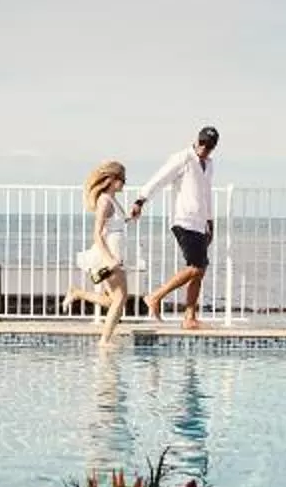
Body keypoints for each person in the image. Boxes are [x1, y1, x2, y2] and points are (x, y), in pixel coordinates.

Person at [131, 125, 220, 328]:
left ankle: (189, 318)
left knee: (200, 269)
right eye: (203, 144)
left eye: (210, 146)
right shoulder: (182, 158)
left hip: (200, 223)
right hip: (183, 220)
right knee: (196, 267)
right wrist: (140, 200)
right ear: (197, 141)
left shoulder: (209, 164)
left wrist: (210, 221)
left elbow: (206, 194)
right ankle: (155, 297)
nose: (205, 149)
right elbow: (159, 179)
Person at [61, 159, 133, 335]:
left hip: (116, 252)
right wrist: (110, 260)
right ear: (113, 179)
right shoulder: (104, 201)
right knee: (120, 298)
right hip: (109, 254)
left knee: (114, 301)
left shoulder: (112, 199)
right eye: (123, 179)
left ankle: (77, 293)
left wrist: (130, 216)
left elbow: (114, 225)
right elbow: (97, 234)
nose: (124, 183)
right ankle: (104, 341)